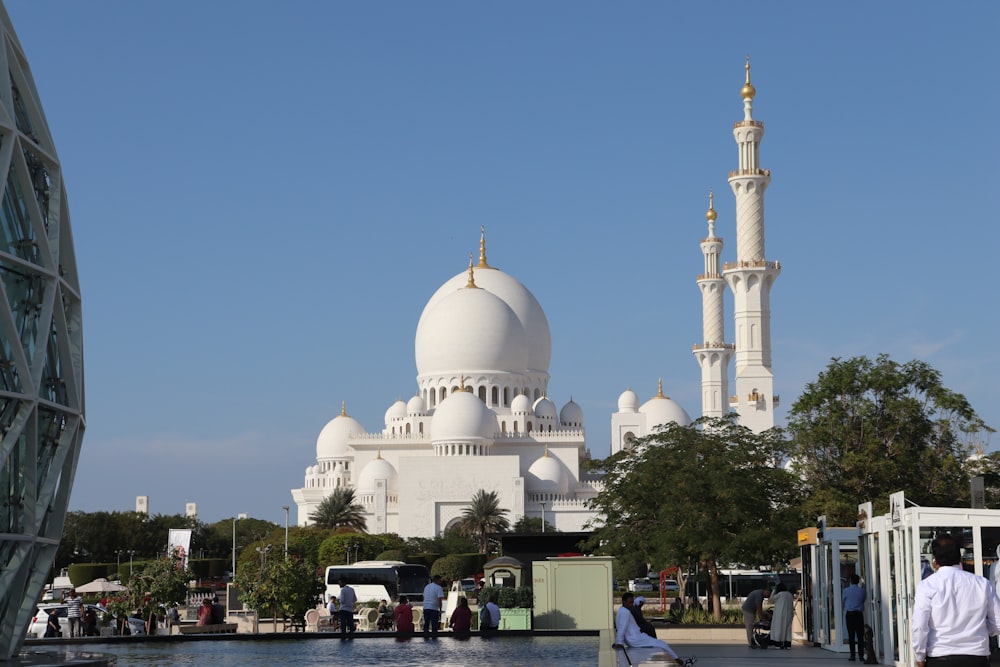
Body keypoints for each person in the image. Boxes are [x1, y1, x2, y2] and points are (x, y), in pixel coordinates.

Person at [912, 533, 1000, 667]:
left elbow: (920, 625)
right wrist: (980, 630)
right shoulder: (982, 583)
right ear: (959, 557)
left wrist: (919, 655)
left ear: (935, 560)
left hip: (940, 655)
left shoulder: (927, 586)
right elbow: (997, 622)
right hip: (976, 656)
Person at [612, 592, 684, 665]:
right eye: (630, 602)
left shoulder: (621, 610)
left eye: (632, 602)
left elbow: (620, 627)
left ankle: (677, 660)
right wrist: (619, 643)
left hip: (634, 638)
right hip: (636, 639)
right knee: (662, 644)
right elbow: (622, 628)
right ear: (624, 602)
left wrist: (618, 641)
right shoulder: (626, 612)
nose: (632, 604)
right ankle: (679, 661)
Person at [843, 574, 866, 661]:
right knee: (860, 635)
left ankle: (852, 655)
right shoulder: (862, 591)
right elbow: (863, 600)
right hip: (859, 614)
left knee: (851, 635)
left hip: (850, 614)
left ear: (851, 581)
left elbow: (844, 600)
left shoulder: (846, 590)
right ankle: (861, 655)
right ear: (858, 581)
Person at [769, 583, 794, 650]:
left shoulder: (780, 594)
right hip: (789, 613)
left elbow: (771, 599)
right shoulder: (790, 595)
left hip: (780, 614)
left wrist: (773, 590)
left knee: (779, 628)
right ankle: (787, 644)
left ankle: (778, 643)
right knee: (787, 629)